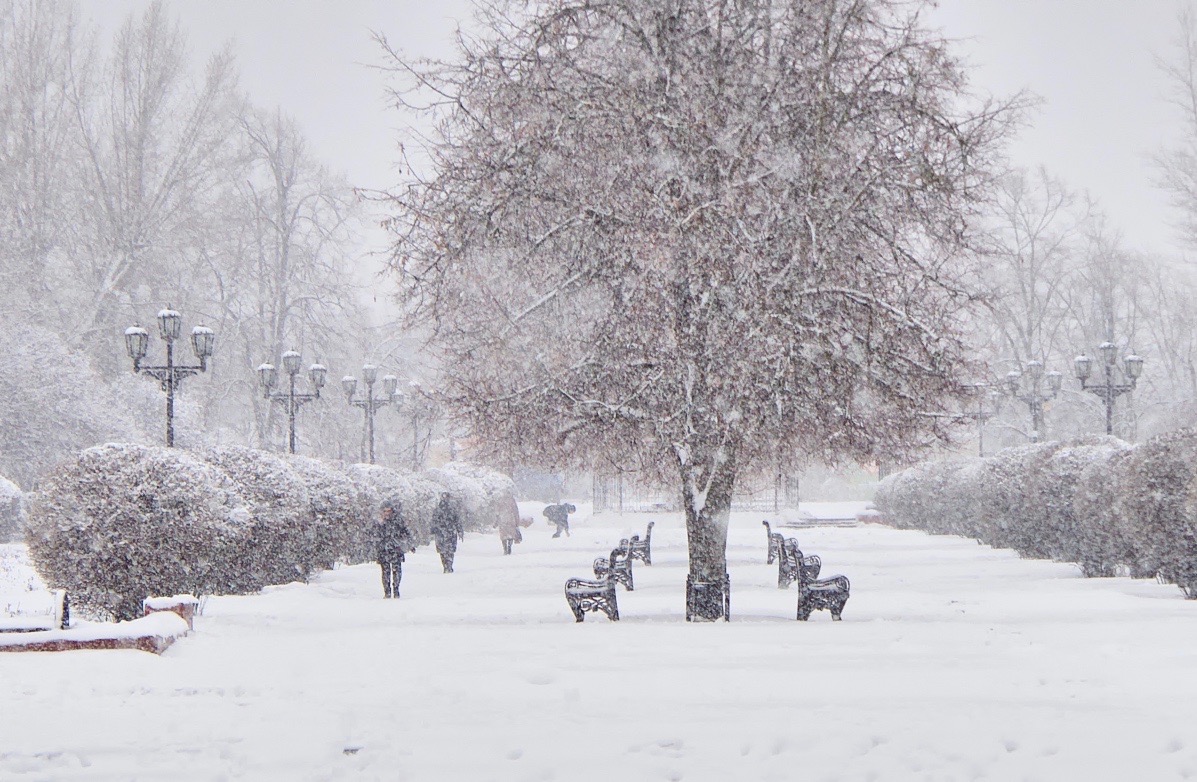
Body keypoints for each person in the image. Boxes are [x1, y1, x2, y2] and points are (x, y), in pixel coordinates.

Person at [375, 498, 415, 598]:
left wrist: (411, 544)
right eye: (385, 511)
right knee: (385, 571)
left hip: (396, 549)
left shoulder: (398, 520)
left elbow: (406, 532)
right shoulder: (379, 522)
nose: (387, 513)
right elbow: (373, 535)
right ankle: (387, 591)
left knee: (397, 570)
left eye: (389, 511)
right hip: (383, 550)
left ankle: (396, 589)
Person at [431, 491, 463, 573]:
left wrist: (433, 530)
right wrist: (459, 531)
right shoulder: (452, 509)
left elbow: (434, 521)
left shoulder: (438, 509)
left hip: (441, 532)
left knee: (443, 551)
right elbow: (457, 521)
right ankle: (448, 565)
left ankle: (446, 565)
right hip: (450, 532)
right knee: (449, 551)